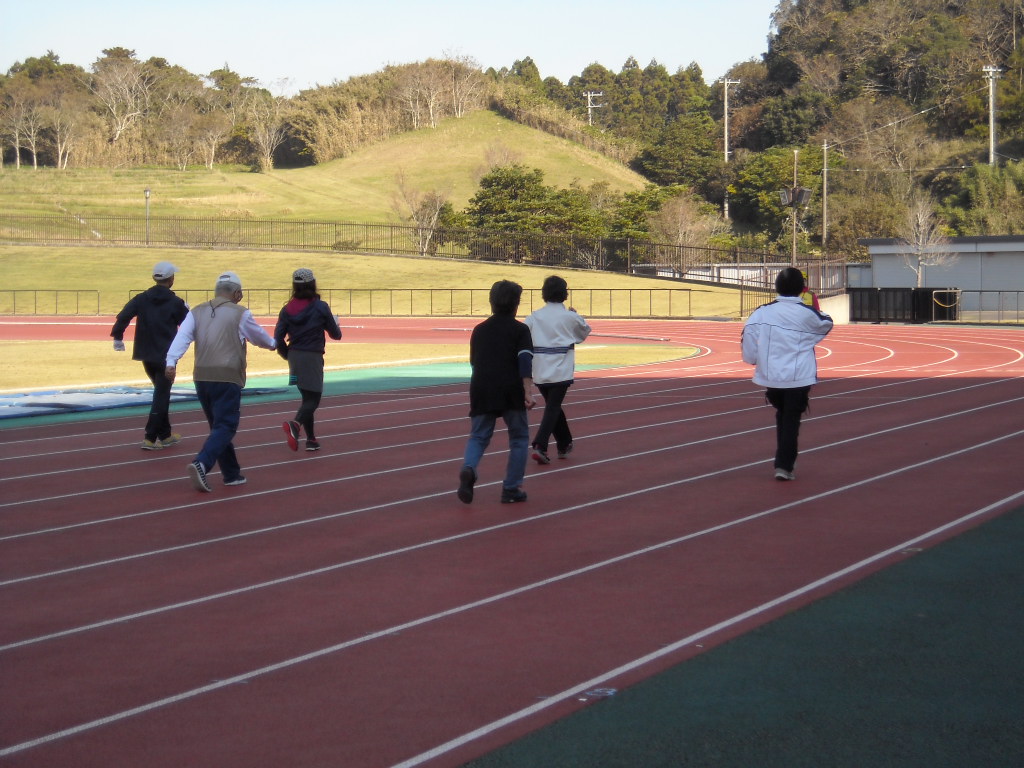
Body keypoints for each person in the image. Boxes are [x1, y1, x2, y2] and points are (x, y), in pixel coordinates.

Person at [165, 271, 276, 492]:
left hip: (202, 375)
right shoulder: (240, 313)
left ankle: (231, 474)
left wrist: (171, 361)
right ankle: (202, 463)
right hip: (226, 375)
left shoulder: (196, 311)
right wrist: (274, 344)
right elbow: (260, 338)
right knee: (226, 426)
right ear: (237, 293)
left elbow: (182, 337)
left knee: (218, 427)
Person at [741, 266, 833, 481]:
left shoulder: (762, 311)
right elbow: (826, 323)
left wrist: (753, 359)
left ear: (777, 287)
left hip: (771, 376)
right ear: (802, 288)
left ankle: (783, 461)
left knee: (783, 415)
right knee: (790, 419)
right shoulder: (806, 313)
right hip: (798, 376)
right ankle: (784, 465)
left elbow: (748, 336)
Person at [457, 280, 536, 505]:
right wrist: (527, 390)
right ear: (516, 304)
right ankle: (511, 488)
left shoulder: (479, 330)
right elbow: (524, 360)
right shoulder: (520, 330)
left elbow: (474, 361)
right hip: (510, 388)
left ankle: (469, 468)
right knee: (519, 438)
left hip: (482, 386)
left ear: (491, 302)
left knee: (479, 436)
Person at [110, 261, 189, 451]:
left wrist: (118, 337)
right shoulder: (175, 302)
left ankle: (165, 434)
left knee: (161, 392)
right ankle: (150, 436)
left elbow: (123, 316)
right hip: (167, 356)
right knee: (161, 395)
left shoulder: (142, 298)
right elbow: (189, 325)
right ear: (171, 279)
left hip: (145, 354)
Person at [523, 275, 591, 464]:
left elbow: (523, 336)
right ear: (564, 293)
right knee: (553, 407)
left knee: (553, 406)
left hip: (540, 369)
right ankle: (540, 445)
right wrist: (576, 315)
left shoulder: (534, 317)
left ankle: (564, 442)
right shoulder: (569, 317)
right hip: (561, 369)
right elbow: (583, 333)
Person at [274, 268, 342, 452]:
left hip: (294, 359)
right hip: (312, 357)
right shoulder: (320, 307)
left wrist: (287, 355)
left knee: (306, 397)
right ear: (313, 283)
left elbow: (277, 338)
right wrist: (336, 324)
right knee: (314, 399)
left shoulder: (286, 309)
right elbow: (336, 335)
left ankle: (311, 439)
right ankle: (295, 425)